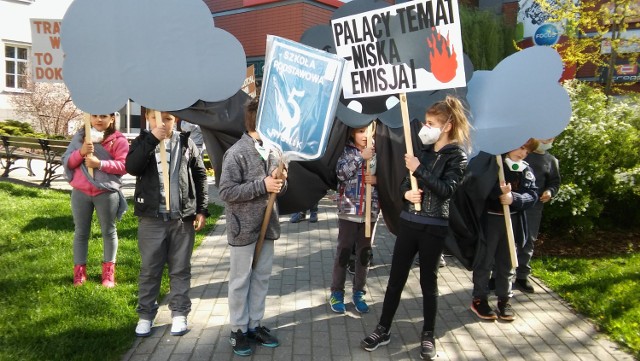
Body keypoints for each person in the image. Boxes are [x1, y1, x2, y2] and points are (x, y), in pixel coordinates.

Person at [361, 96, 471, 360]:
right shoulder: (423, 151)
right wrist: (406, 195)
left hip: (434, 227)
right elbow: (403, 184)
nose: (425, 126)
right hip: (409, 223)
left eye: (431, 123)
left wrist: (419, 170)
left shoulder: (458, 157)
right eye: (425, 121)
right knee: (395, 279)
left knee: (428, 283)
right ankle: (383, 328)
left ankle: (428, 334)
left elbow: (445, 190)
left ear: (446, 127)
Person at [125, 109, 209, 338]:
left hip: (182, 218)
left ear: (176, 121)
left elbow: (200, 175)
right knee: (150, 269)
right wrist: (153, 138)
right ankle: (145, 315)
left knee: (180, 269)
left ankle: (179, 314)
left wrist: (201, 209)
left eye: (168, 119)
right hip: (152, 219)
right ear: (147, 119)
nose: (161, 122)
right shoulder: (142, 141)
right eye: (155, 118)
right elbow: (132, 167)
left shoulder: (185, 142)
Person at [218, 96, 288, 357]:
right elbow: (225, 191)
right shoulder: (236, 153)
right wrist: (263, 185)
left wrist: (280, 183)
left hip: (267, 226)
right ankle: (237, 329)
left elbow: (277, 189)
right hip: (243, 229)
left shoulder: (275, 151)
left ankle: (254, 324)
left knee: (261, 278)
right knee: (240, 281)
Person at [470, 138, 539, 322]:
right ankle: (480, 298)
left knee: (507, 263)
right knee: (484, 261)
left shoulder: (525, 170)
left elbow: (532, 195)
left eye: (527, 151)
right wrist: (497, 192)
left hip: (512, 222)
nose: (523, 153)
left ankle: (504, 299)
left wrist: (514, 198)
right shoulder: (493, 164)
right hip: (490, 221)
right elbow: (478, 187)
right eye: (521, 147)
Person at [62, 113, 129, 288]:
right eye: (95, 116)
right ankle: (79, 272)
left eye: (104, 116)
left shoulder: (118, 140)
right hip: (81, 192)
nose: (99, 119)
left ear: (112, 119)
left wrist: (100, 164)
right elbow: (68, 162)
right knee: (81, 232)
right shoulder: (80, 137)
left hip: (106, 192)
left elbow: (124, 166)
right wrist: (81, 152)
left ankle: (108, 273)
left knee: (108, 231)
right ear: (89, 118)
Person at [329, 125, 379, 315]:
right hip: (349, 210)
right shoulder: (346, 152)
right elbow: (341, 174)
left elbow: (388, 177)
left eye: (368, 131)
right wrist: (361, 157)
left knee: (364, 253)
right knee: (344, 251)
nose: (365, 135)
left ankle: (359, 292)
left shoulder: (378, 152)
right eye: (360, 131)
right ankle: (336, 292)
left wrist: (377, 180)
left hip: (370, 211)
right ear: (351, 133)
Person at [516, 138, 560, 293]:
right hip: (514, 203)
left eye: (552, 137)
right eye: (545, 136)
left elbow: (554, 182)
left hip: (534, 207)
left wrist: (549, 192)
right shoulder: (522, 152)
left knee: (528, 241)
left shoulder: (551, 160)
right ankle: (496, 275)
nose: (548, 139)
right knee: (505, 239)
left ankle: (521, 276)